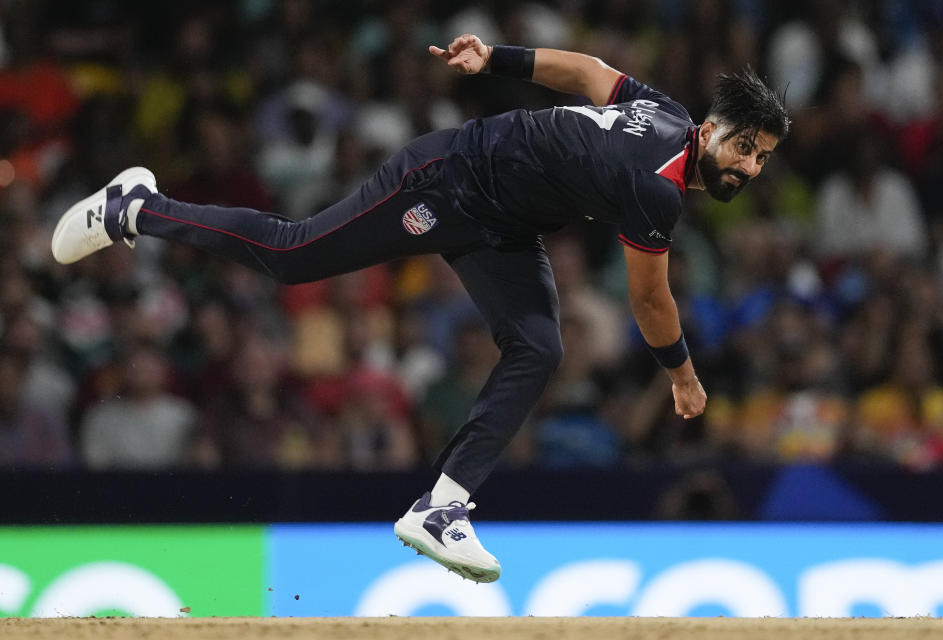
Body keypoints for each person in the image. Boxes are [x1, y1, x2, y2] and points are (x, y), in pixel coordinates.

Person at [51, 34, 788, 582]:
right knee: (291, 255)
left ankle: (441, 508)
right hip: (449, 182)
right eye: (746, 147)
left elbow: (590, 73)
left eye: (762, 158)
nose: (750, 167)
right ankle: (137, 208)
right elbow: (649, 297)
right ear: (715, 128)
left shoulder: (663, 115)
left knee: (539, 346)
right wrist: (682, 376)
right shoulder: (658, 183)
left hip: (502, 221)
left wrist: (495, 57)